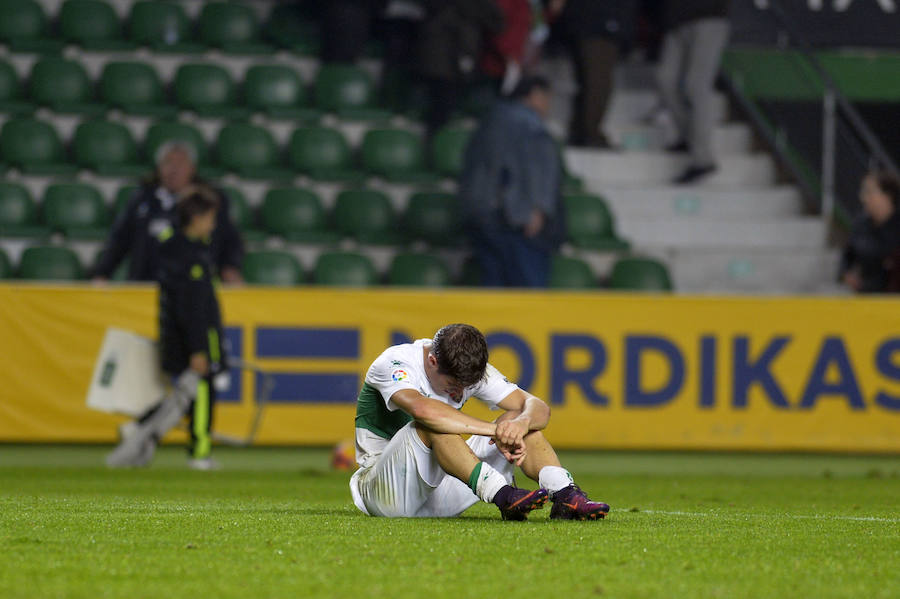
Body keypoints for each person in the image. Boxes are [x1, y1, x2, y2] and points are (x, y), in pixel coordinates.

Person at [350, 323, 610, 520]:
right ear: (432, 361)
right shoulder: (396, 362)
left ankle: (565, 496)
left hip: (442, 491)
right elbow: (423, 410)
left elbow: (539, 408)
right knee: (435, 422)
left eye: (466, 387)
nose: (458, 393)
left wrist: (519, 424)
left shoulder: (471, 369)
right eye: (453, 385)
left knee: (516, 418)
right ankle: (504, 496)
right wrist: (496, 431)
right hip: (384, 492)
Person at [106, 187, 228, 470]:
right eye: (210, 217)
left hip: (179, 337)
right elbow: (193, 308)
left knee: (181, 399)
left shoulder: (177, 249)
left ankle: (140, 428)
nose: (213, 223)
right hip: (192, 341)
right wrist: (199, 348)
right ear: (196, 218)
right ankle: (199, 453)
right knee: (199, 396)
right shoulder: (190, 257)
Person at [459, 76, 565, 287]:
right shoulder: (528, 125)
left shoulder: (490, 120)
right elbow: (533, 169)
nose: (548, 106)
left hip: (480, 214)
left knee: (494, 293)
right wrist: (535, 209)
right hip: (514, 219)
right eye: (547, 98)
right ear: (534, 94)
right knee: (527, 295)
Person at [93, 141, 244, 284]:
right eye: (168, 162)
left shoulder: (209, 201)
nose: (174, 169)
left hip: (193, 288)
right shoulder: (141, 200)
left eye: (180, 163)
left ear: (192, 168)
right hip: (146, 286)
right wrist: (102, 273)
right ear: (159, 167)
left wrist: (230, 267)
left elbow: (229, 239)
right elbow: (119, 240)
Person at [655, 0, 731, 184]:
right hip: (676, 20)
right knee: (665, 79)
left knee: (696, 86)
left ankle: (702, 159)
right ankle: (689, 136)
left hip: (709, 15)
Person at [554, 0, 637, 149]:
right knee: (598, 82)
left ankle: (580, 132)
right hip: (600, 22)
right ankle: (590, 133)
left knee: (589, 81)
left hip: (583, 22)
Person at [840, 171, 900, 294]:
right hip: (867, 295)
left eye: (870, 192)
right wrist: (846, 273)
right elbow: (848, 256)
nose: (864, 198)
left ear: (887, 195)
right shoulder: (861, 224)